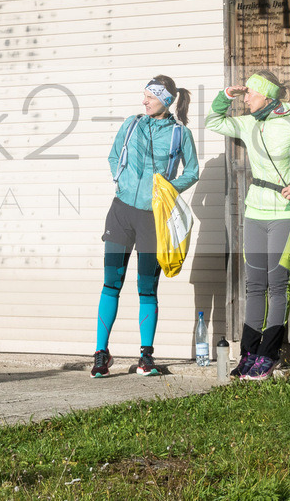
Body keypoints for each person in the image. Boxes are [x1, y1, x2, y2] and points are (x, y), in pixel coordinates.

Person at [206, 70, 290, 381]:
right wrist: (227, 94)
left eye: (250, 92)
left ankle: (269, 354)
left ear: (266, 95)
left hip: (285, 214)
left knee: (277, 285)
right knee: (253, 285)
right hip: (254, 211)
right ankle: (249, 352)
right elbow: (213, 121)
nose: (245, 97)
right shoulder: (249, 122)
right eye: (245, 92)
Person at [91, 75, 199, 377]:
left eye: (150, 97)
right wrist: (122, 181)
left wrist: (168, 190)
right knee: (111, 283)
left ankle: (146, 357)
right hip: (121, 213)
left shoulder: (180, 134)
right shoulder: (132, 123)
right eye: (145, 96)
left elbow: (192, 171)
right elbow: (114, 157)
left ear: (164, 100)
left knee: (147, 288)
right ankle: (101, 354)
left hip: (153, 219)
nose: (144, 101)